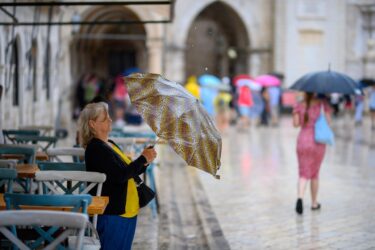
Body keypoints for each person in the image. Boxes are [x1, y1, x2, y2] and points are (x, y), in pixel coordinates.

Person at [78, 102, 157, 249]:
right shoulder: (96, 148)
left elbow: (128, 171)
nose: (110, 120)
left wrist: (145, 161)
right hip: (113, 213)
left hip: (127, 210)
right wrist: (142, 159)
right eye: (105, 118)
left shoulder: (110, 144)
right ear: (92, 124)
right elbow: (119, 176)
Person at [292, 92, 331, 215]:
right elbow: (329, 122)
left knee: (303, 172)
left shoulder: (298, 105)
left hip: (303, 140)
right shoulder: (322, 104)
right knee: (314, 173)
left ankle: (300, 197)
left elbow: (296, 124)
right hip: (318, 141)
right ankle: (314, 203)